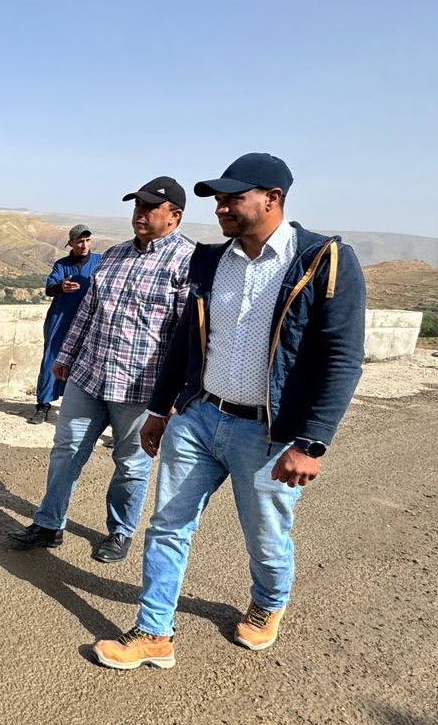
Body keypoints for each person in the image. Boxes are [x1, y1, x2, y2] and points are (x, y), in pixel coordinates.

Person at [94, 153, 366, 670]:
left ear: (272, 199)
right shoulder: (211, 261)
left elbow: (342, 358)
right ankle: (154, 632)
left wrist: (312, 442)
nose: (220, 208)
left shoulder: (322, 260)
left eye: (232, 198)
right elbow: (185, 340)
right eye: (218, 200)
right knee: (167, 525)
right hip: (198, 418)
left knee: (265, 535)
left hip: (269, 433)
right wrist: (160, 409)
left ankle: (268, 601)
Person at [8, 176, 194, 562]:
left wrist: (176, 395)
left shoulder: (186, 262)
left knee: (131, 464)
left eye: (150, 207)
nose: (139, 213)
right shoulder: (114, 255)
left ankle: (120, 531)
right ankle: (48, 523)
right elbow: (88, 311)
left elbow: (187, 337)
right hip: (89, 375)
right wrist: (65, 356)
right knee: (66, 450)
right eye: (137, 206)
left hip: (140, 387)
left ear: (174, 216)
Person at [29, 225, 100, 424]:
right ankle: (43, 405)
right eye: (79, 241)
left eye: (87, 240)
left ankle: (80, 408)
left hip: (89, 319)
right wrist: (61, 286)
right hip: (61, 318)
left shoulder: (100, 262)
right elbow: (49, 289)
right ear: (70, 243)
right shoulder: (62, 265)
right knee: (51, 358)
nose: (84, 245)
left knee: (86, 362)